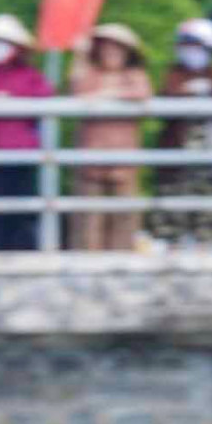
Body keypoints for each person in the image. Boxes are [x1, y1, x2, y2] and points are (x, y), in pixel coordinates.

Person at [0, 15, 52, 252]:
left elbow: (44, 102)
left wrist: (13, 103)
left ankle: (24, 252)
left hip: (22, 153)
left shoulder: (30, 76)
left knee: (23, 209)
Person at [70, 23, 152, 252]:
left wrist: (108, 95)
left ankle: (123, 256)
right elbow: (77, 89)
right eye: (106, 50)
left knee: (124, 213)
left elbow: (142, 93)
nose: (111, 55)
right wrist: (80, 56)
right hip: (91, 157)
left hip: (124, 157)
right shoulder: (92, 75)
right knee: (88, 215)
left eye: (117, 51)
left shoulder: (133, 75)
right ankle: (87, 258)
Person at [153, 18, 212, 247]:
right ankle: (172, 249)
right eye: (185, 44)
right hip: (176, 160)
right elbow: (166, 98)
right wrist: (187, 93)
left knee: (206, 212)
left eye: (195, 44)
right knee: (171, 213)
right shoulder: (172, 74)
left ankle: (204, 250)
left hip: (209, 158)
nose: (189, 50)